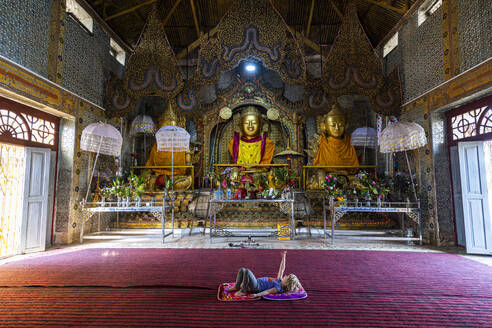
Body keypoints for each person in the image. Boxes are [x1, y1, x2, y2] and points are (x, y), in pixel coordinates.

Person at [226, 251, 302, 297]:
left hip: (256, 287)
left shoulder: (278, 288)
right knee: (242, 269)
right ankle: (236, 286)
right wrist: (283, 257)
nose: (285, 275)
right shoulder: (279, 280)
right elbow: (282, 269)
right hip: (255, 282)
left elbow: (267, 292)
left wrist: (257, 295)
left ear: (286, 283)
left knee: (247, 271)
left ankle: (243, 291)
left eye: (287, 277)